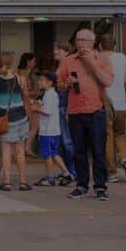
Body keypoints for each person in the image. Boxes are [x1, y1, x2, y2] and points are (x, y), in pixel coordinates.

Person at [57, 28, 114, 201]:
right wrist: (66, 83)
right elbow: (58, 84)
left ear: (92, 42)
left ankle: (100, 187)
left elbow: (108, 81)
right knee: (78, 151)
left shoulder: (102, 58)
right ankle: (81, 185)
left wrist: (92, 63)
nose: (81, 43)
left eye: (84, 40)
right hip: (75, 111)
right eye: (78, 40)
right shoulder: (68, 60)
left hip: (96, 110)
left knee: (98, 151)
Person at [0, 51, 31, 191]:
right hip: (20, 117)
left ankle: (7, 182)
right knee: (20, 151)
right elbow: (25, 95)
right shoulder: (20, 78)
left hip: (4, 119)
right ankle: (23, 182)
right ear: (11, 63)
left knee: (6, 152)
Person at [100, 34, 126, 182]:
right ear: (115, 46)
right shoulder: (122, 57)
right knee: (120, 133)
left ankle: (112, 172)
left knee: (108, 137)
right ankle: (125, 159)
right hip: (121, 103)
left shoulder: (98, 58)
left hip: (106, 103)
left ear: (100, 46)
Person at [33, 70, 70, 186]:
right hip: (54, 131)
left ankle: (50, 177)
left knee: (47, 155)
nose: (39, 82)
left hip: (47, 131)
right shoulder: (51, 94)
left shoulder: (49, 95)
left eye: (42, 80)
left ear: (50, 83)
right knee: (54, 154)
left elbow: (47, 112)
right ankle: (66, 173)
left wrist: (36, 109)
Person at [52, 42, 77, 179]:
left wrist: (68, 109)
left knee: (67, 140)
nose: (55, 51)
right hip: (59, 106)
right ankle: (67, 170)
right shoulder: (61, 66)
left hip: (64, 106)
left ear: (66, 51)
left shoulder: (69, 66)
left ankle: (73, 171)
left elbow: (69, 88)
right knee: (62, 140)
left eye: (58, 49)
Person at [17, 53, 39, 158]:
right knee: (34, 126)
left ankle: (23, 148)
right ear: (28, 61)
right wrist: (35, 94)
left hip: (24, 102)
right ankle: (27, 148)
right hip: (27, 102)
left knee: (27, 126)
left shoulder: (19, 73)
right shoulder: (24, 74)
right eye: (33, 61)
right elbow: (24, 92)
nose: (34, 63)